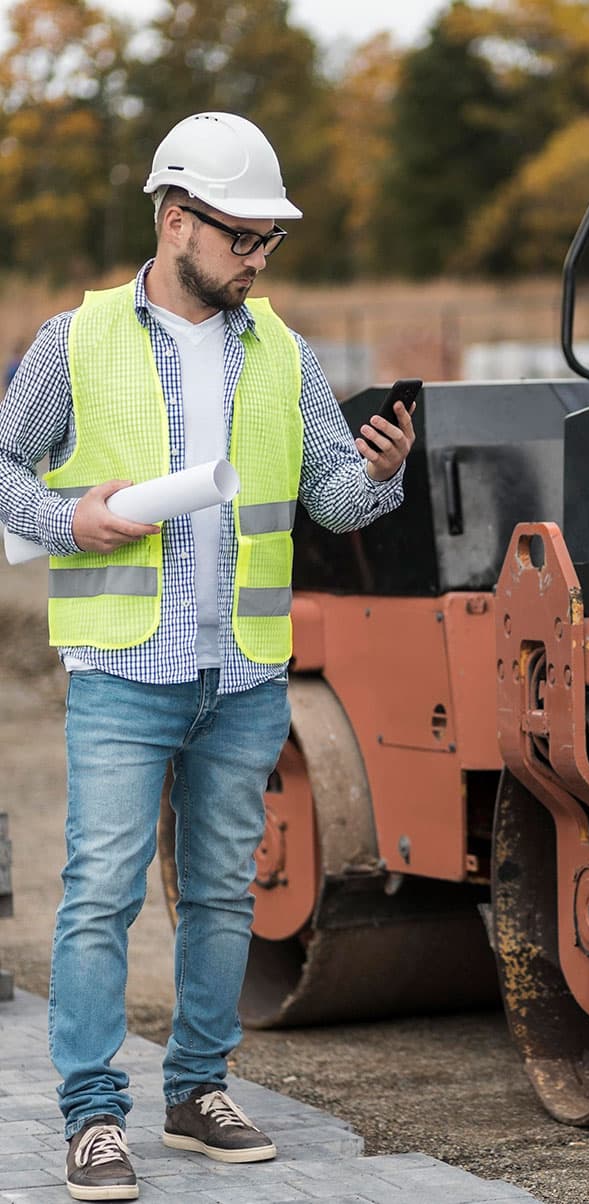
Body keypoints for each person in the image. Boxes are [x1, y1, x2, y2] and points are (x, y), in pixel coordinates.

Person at [0, 112, 415, 1201]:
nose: (259, 256)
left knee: (225, 892)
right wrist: (65, 519)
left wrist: (378, 476)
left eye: (270, 238)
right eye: (244, 236)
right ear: (177, 219)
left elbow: (330, 498)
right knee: (100, 893)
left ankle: (197, 1090)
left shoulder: (285, 353)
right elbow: (1, 467)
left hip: (242, 674)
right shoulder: (74, 340)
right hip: (122, 672)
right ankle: (93, 1115)